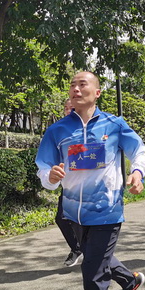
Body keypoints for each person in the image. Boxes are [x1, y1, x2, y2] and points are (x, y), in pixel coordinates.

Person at [35, 71, 145, 290]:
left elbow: (138, 150)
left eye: (82, 83)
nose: (75, 88)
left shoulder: (114, 124)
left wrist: (137, 173)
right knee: (98, 260)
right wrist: (49, 177)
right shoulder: (57, 130)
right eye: (72, 84)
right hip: (74, 214)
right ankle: (129, 280)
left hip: (107, 212)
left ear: (97, 92)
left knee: (93, 278)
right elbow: (43, 167)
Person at [56, 98, 84, 267]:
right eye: (66, 108)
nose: (68, 111)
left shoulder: (88, 129)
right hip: (68, 185)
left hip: (89, 186)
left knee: (81, 221)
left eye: (72, 108)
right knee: (61, 218)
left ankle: (92, 253)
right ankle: (77, 248)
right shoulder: (59, 131)